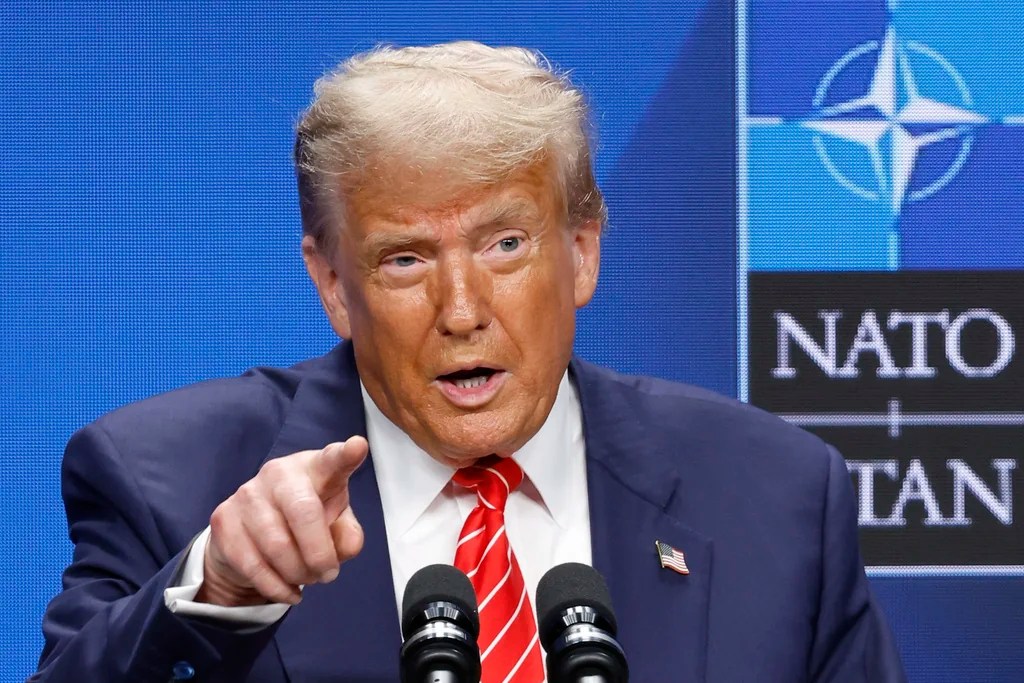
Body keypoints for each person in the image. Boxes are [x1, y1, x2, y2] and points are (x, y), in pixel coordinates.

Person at [32, 42, 905, 682]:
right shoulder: (170, 481)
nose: (461, 310)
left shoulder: (778, 496)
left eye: (506, 244)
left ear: (583, 251)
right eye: (405, 258)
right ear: (334, 284)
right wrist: (216, 590)